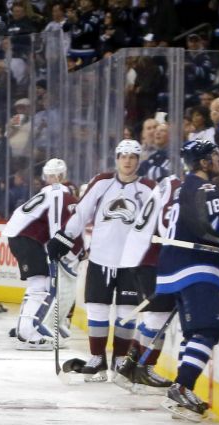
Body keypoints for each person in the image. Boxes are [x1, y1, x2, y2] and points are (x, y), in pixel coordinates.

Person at [46, 140, 157, 382]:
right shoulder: (102, 182)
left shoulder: (149, 188)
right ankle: (97, 359)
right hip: (100, 257)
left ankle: (119, 359)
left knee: (127, 312)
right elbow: (82, 211)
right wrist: (64, 237)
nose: (127, 161)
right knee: (97, 308)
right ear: (116, 158)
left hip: (131, 261)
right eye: (123, 156)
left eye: (132, 157)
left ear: (139, 161)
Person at [155, 140, 219, 420]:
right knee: (207, 330)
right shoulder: (207, 188)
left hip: (174, 265)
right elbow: (217, 229)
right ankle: (183, 385)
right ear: (203, 163)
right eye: (214, 156)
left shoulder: (183, 187)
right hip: (196, 267)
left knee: (194, 332)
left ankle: (182, 389)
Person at [2, 158, 79, 350]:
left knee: (41, 284)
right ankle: (27, 332)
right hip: (26, 238)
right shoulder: (60, 193)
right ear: (63, 175)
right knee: (39, 286)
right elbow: (56, 225)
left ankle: (27, 326)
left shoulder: (48, 192)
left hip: (20, 236)